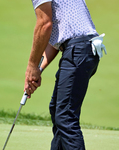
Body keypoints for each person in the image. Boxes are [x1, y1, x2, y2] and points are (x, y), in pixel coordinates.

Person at [24, 0, 106, 149]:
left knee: (65, 116)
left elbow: (45, 25)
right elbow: (57, 38)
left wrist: (31, 66)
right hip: (86, 49)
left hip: (78, 49)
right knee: (58, 111)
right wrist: (37, 70)